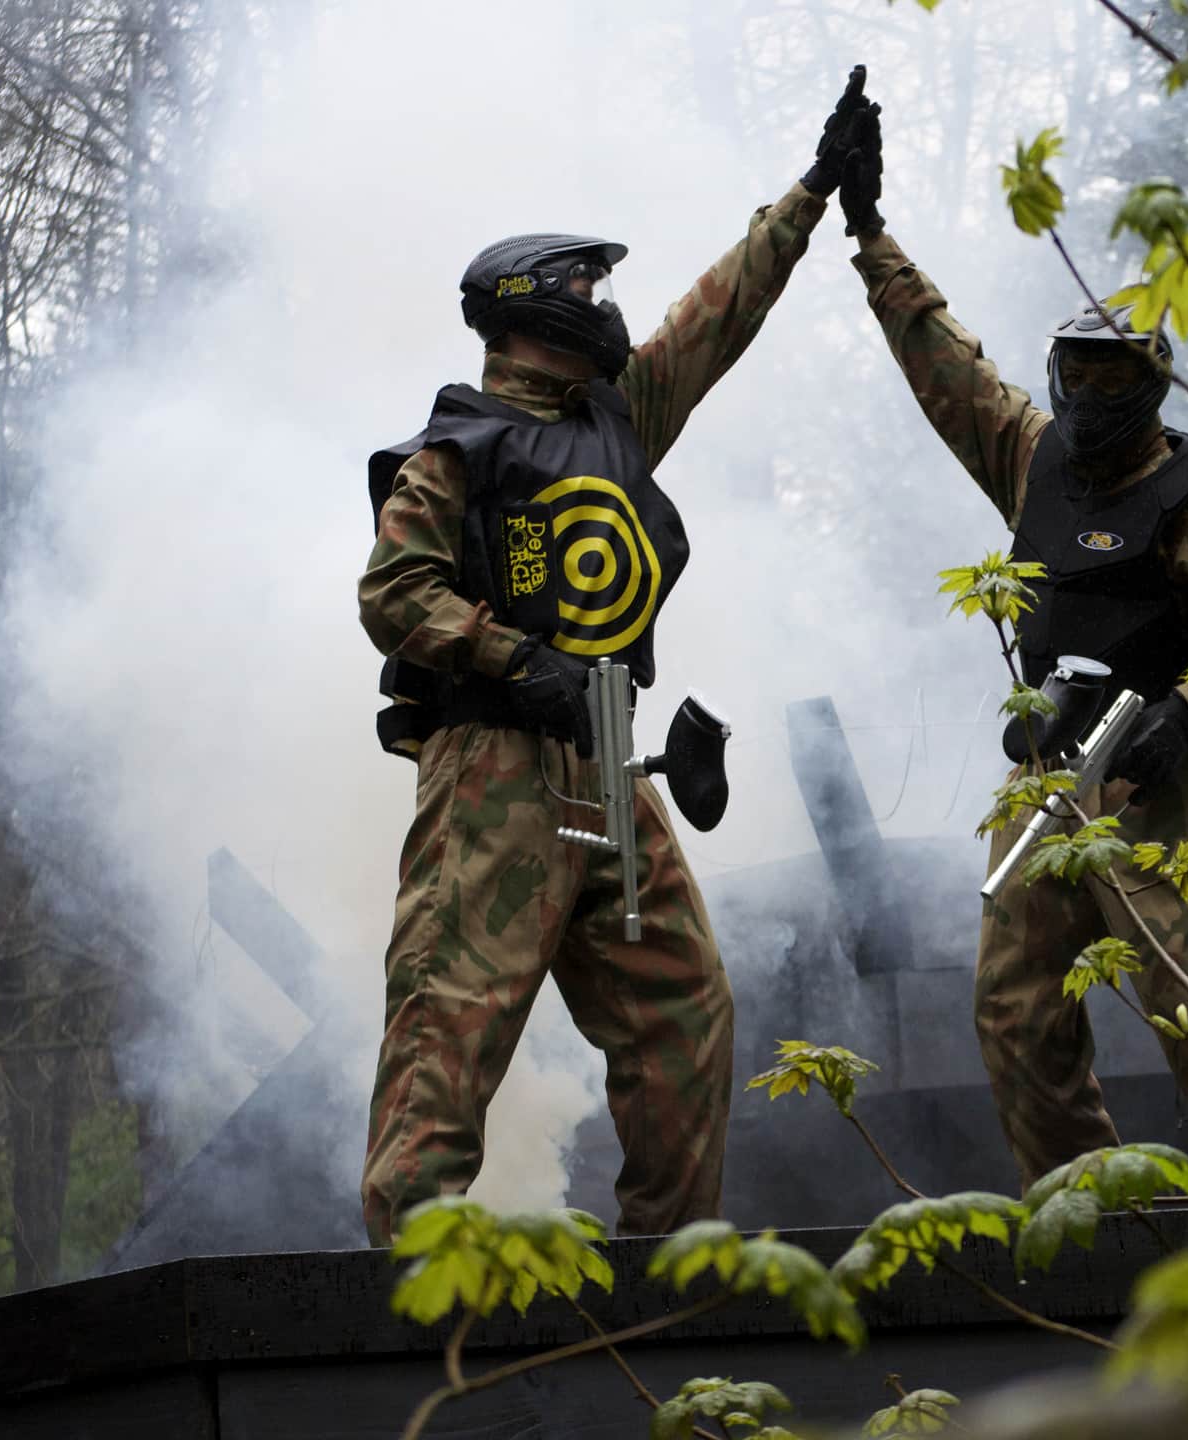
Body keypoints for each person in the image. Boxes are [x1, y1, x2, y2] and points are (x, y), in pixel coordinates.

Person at [355, 69, 878, 1244]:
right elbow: (393, 594)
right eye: (588, 283)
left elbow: (714, 313)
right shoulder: (454, 450)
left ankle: (667, 1274)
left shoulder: (616, 415)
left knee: (684, 1012)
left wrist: (807, 193)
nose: (608, 301)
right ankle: (393, 1318)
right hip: (493, 768)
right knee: (453, 1034)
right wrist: (504, 658)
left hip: (606, 763)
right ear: (538, 304)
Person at [835, 108, 1188, 1193]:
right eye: (1078, 374)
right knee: (1013, 1015)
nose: (1093, 399)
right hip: (1040, 778)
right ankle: (1094, 1229)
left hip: (1146, 788)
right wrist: (868, 231)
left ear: (1151, 385)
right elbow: (940, 359)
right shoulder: (1031, 454)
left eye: (1115, 379)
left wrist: (1186, 712)